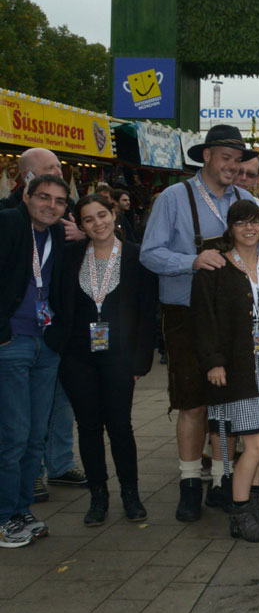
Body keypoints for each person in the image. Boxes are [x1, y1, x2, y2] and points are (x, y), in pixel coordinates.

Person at [140, 124, 257, 522]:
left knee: (227, 399)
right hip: (186, 313)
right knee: (192, 401)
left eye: (238, 159)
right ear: (206, 156)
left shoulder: (246, 200)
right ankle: (190, 483)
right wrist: (191, 261)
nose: (233, 166)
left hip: (232, 316)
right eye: (226, 157)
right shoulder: (173, 198)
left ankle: (223, 482)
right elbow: (149, 254)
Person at [194, 200, 259, 543]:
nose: (249, 228)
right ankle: (239, 513)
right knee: (254, 442)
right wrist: (213, 361)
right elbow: (204, 320)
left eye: (254, 222)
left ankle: (251, 507)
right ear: (231, 228)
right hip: (237, 367)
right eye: (241, 223)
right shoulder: (216, 268)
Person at [52, 195, 157, 526]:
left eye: (102, 215)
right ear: (81, 225)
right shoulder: (69, 257)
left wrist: (140, 361)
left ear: (114, 215)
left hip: (120, 356)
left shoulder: (137, 257)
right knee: (88, 427)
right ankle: (98, 496)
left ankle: (131, 494)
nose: (98, 223)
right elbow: (58, 301)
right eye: (88, 219)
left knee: (121, 426)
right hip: (77, 355)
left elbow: (147, 311)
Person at [0, 173, 69, 547]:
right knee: (12, 434)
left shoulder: (58, 235)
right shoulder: (9, 224)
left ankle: (21, 509)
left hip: (46, 344)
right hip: (12, 343)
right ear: (26, 196)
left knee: (34, 437)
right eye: (44, 197)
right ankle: (4, 516)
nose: (51, 206)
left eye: (59, 201)